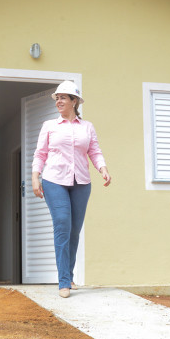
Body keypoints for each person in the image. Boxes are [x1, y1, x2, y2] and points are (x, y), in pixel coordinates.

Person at [32, 80, 111, 298]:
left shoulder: (87, 127)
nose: (58, 101)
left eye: (63, 97)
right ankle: (64, 282)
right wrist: (35, 177)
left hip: (81, 183)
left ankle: (69, 274)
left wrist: (102, 169)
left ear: (74, 101)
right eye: (57, 98)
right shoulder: (49, 126)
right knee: (62, 225)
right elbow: (40, 154)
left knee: (74, 230)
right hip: (54, 180)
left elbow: (94, 151)